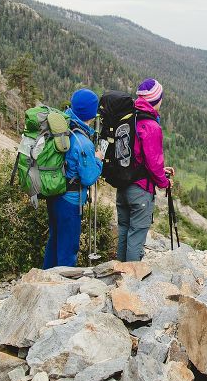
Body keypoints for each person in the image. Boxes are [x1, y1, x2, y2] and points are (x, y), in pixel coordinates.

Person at [43, 88, 103, 268]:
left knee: (54, 241)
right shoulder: (83, 142)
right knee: (68, 248)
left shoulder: (63, 126)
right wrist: (98, 160)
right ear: (91, 113)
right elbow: (89, 177)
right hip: (70, 201)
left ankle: (46, 279)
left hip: (54, 193)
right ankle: (63, 287)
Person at [116, 78, 175, 262]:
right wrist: (164, 182)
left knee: (124, 232)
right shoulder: (151, 126)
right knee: (136, 236)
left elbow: (138, 157)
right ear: (157, 100)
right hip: (140, 190)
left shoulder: (129, 117)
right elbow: (154, 162)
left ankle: (120, 274)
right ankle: (131, 281)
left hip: (123, 185)